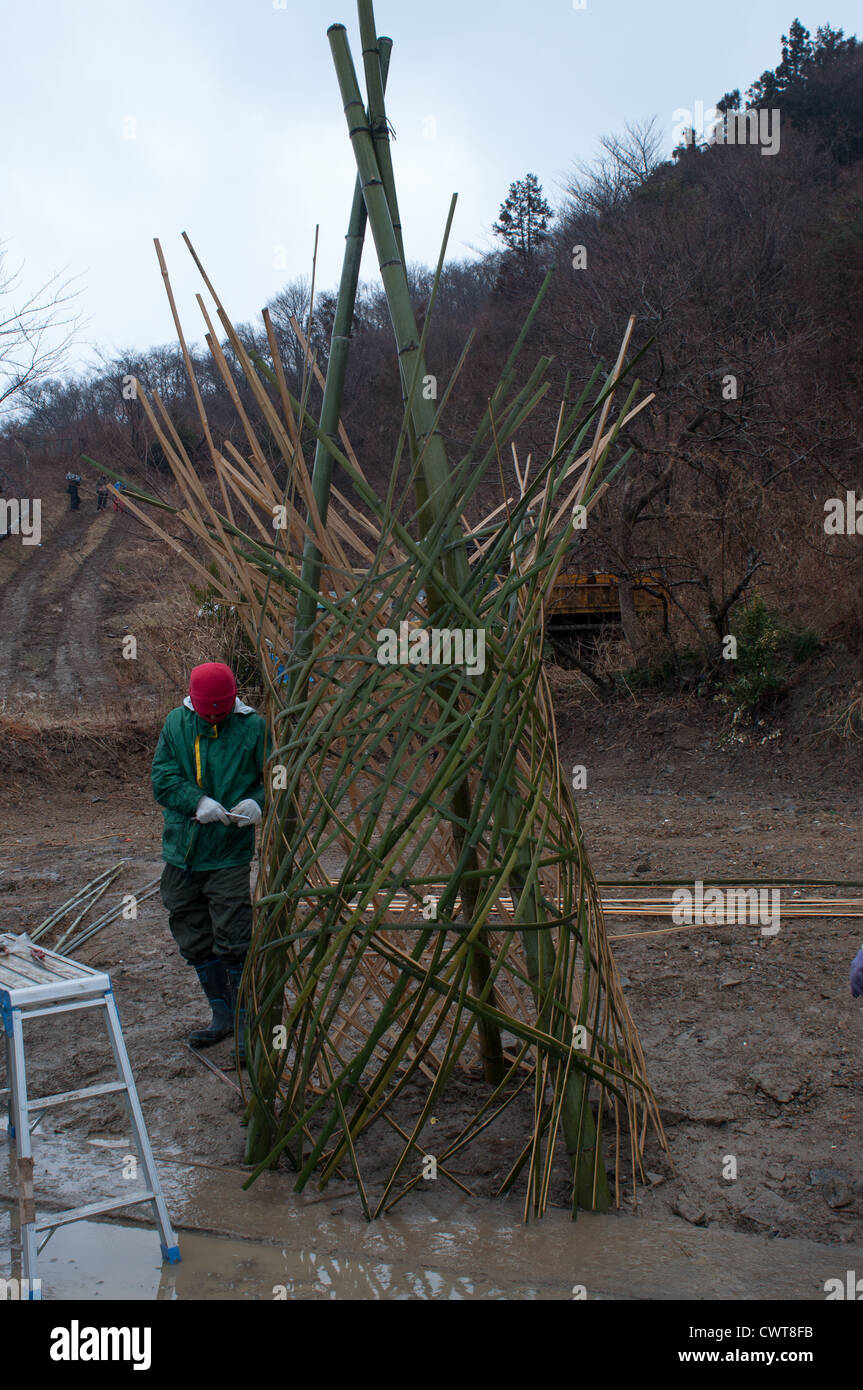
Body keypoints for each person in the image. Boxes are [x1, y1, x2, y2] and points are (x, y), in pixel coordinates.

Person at [151, 663, 268, 1063]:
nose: (214, 718)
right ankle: (220, 1014)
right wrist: (196, 801)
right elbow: (162, 778)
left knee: (234, 934)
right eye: (208, 713)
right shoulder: (177, 724)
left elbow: (276, 776)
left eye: (221, 712)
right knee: (189, 926)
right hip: (183, 848)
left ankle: (244, 1023)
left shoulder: (254, 728)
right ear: (194, 704)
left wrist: (258, 802)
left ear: (234, 700)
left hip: (229, 851)